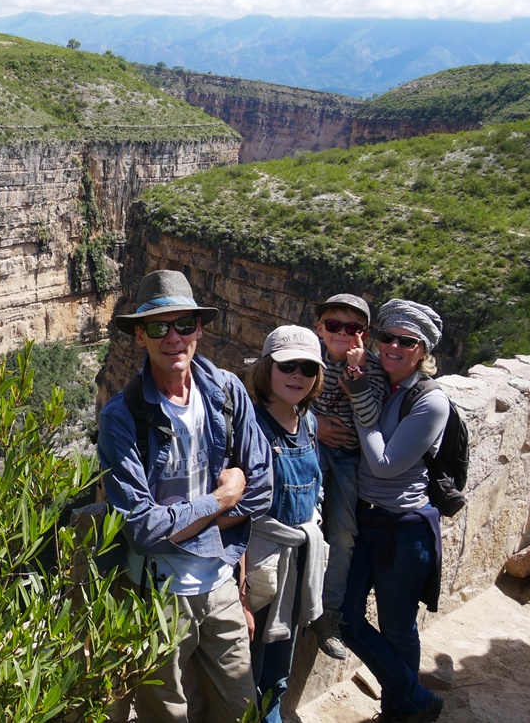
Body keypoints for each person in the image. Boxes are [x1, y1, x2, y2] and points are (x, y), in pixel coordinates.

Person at [99, 269, 274, 723]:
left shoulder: (229, 393)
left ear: (199, 328)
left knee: (241, 710)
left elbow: (261, 493)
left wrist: (182, 526)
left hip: (220, 587)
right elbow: (140, 529)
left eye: (183, 325)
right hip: (158, 597)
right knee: (171, 716)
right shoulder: (123, 417)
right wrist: (219, 501)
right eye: (158, 326)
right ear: (140, 334)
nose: (172, 337)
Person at [339, 299, 448, 723]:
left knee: (398, 627)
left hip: (404, 529)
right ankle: (416, 700)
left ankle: (399, 711)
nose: (393, 347)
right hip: (367, 520)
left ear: (422, 351)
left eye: (407, 341)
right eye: (387, 337)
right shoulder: (384, 384)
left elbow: (385, 465)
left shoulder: (430, 401)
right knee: (345, 618)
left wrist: (356, 401)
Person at [243, 326, 328, 723]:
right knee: (250, 668)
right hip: (261, 570)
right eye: (287, 365)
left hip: (297, 562)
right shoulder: (251, 428)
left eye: (307, 368)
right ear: (267, 369)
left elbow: (317, 487)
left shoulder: (307, 422)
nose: (297, 375)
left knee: (279, 666)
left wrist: (315, 524)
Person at [310, 295, 388, 659]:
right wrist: (316, 426)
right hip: (309, 448)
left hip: (347, 458)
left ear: (365, 335)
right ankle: (293, 601)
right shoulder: (306, 357)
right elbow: (277, 397)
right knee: (303, 522)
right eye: (334, 325)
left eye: (352, 328)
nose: (342, 333)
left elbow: (370, 417)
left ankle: (329, 613)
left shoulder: (371, 368)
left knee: (343, 534)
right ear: (320, 328)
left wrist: (354, 378)